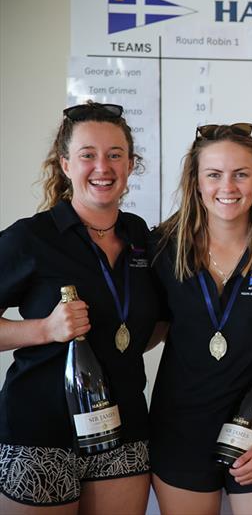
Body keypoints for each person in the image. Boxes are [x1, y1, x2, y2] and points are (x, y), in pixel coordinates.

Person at [0, 102, 160, 514]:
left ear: (130, 164)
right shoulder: (31, 238)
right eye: (88, 155)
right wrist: (44, 330)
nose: (102, 167)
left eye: (115, 155)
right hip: (40, 431)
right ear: (66, 163)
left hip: (123, 430)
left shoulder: (142, 236)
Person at [149, 123, 252, 515]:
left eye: (241, 174)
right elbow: (147, 328)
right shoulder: (162, 246)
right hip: (181, 431)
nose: (229, 187)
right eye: (214, 175)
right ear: (197, 182)